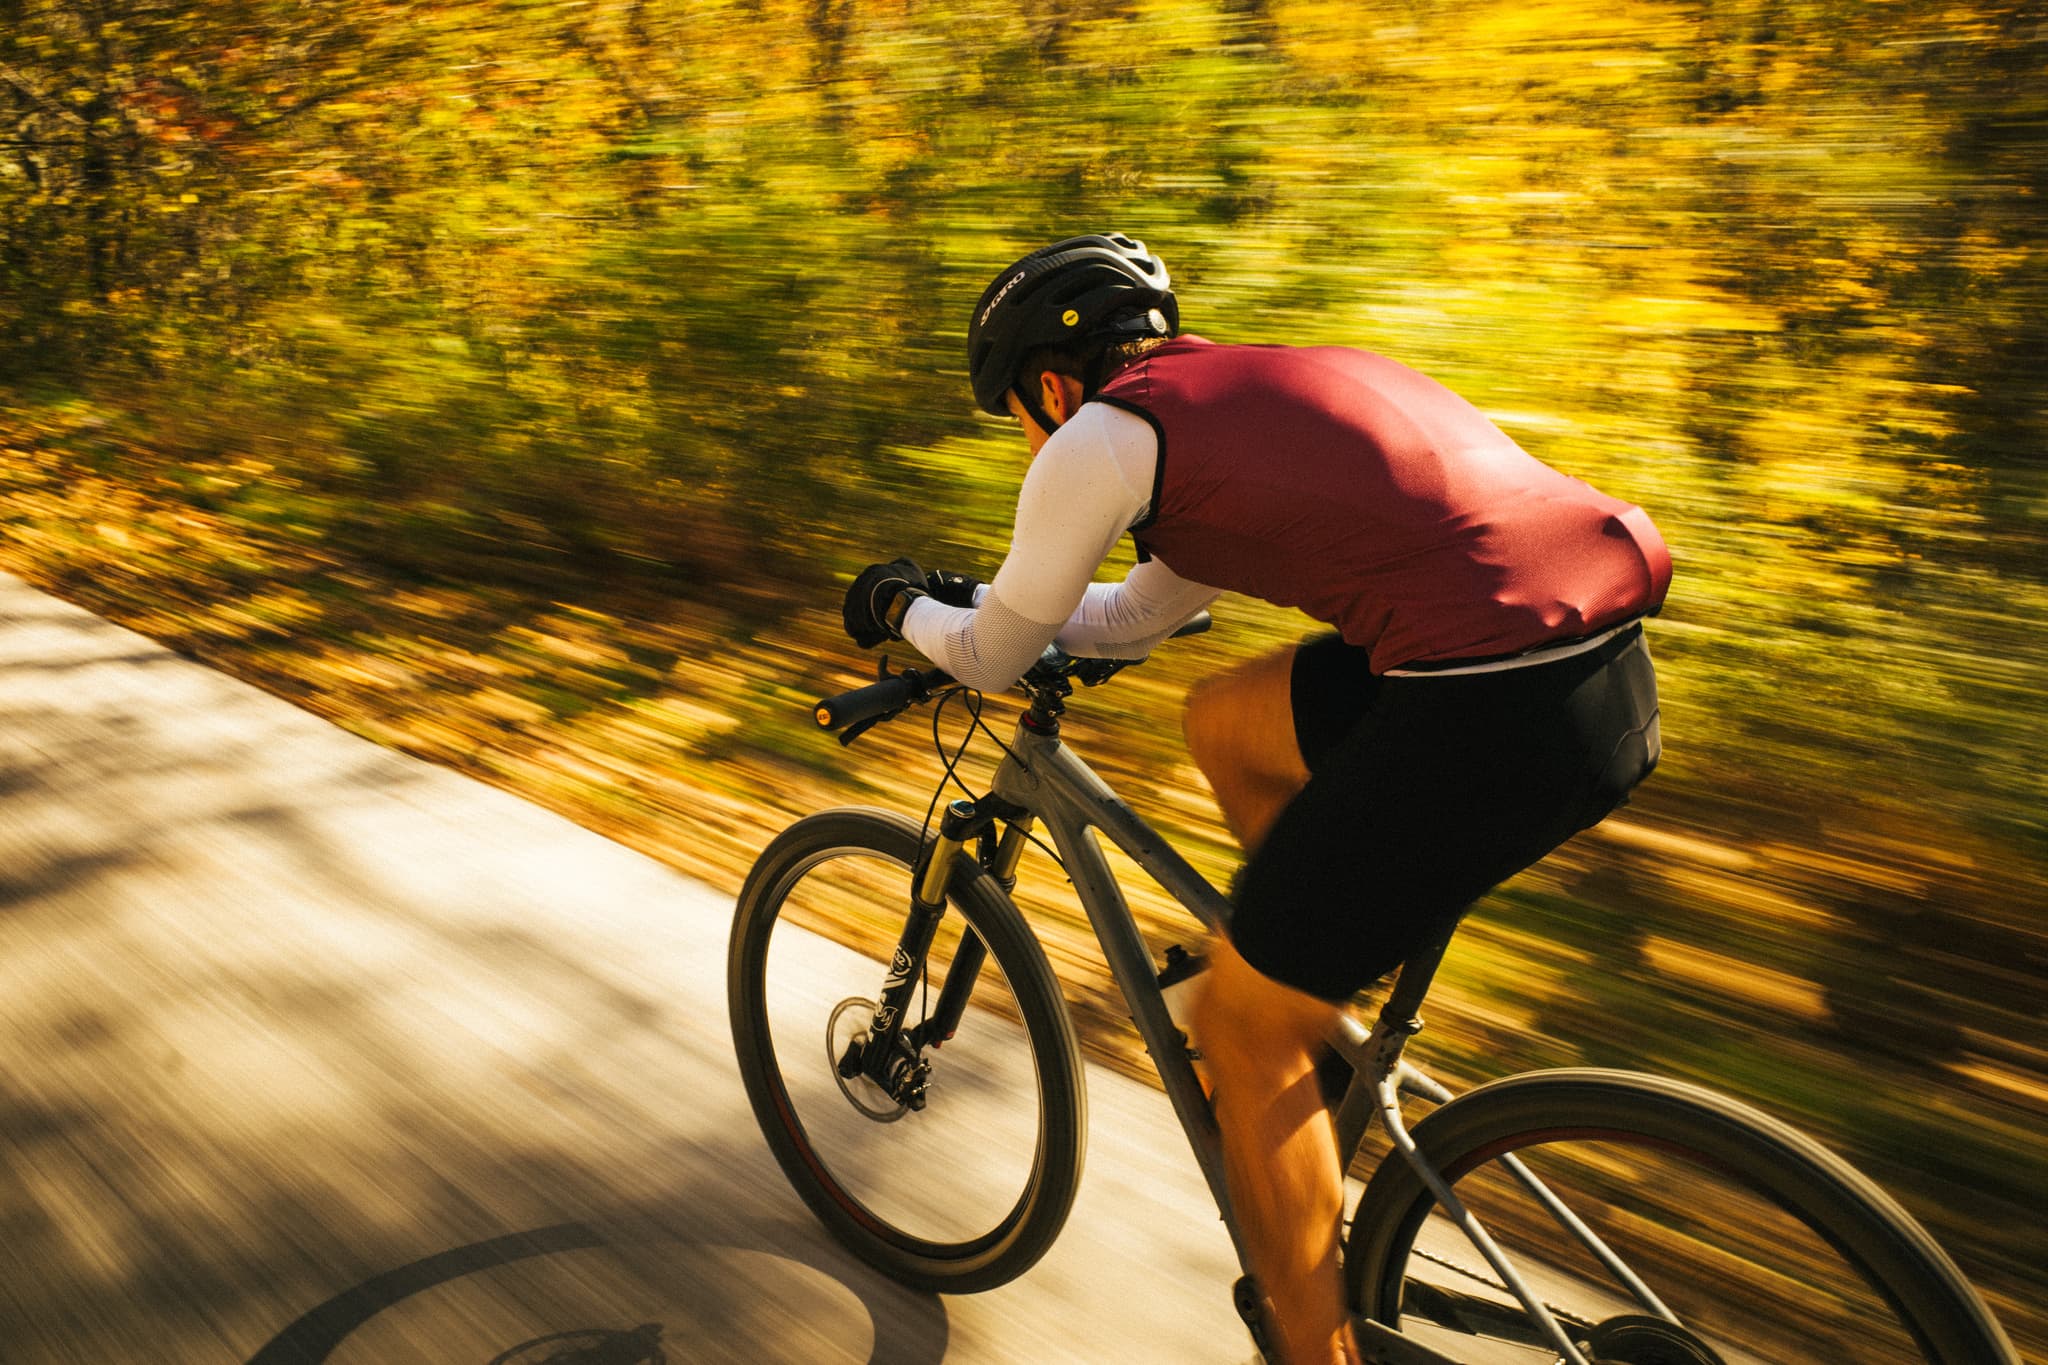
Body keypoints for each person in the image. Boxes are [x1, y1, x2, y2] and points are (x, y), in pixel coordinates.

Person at [840, 234, 1669, 1365]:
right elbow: (1138, 616)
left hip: (1489, 703)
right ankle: (1306, 1018)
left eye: (1019, 420)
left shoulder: (1096, 436)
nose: (1030, 443)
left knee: (1239, 1021)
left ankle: (1302, 1305)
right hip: (1591, 665)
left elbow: (992, 655)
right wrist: (986, 605)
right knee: (1226, 718)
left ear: (1047, 382)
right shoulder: (1229, 402)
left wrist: (900, 608)